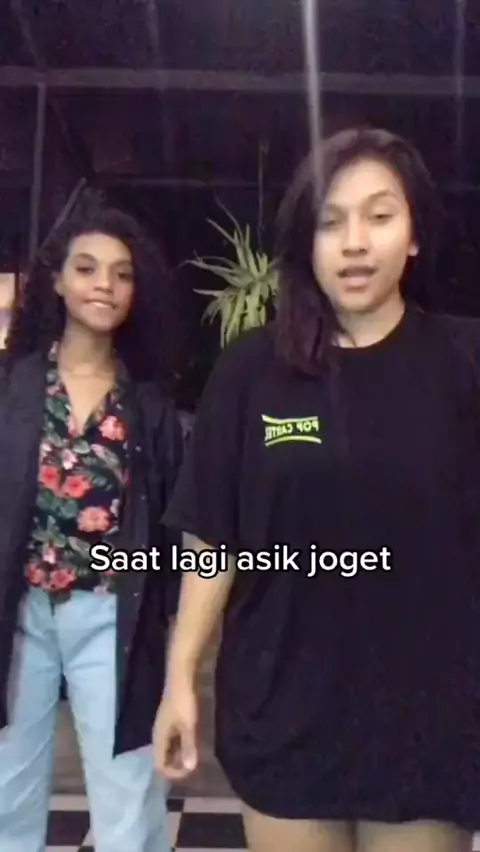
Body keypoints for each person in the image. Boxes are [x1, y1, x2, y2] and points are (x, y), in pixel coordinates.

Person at [153, 126, 480, 852]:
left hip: (428, 721)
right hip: (282, 716)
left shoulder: (464, 363)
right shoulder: (249, 372)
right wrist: (180, 677)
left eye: (379, 216)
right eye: (331, 222)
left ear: (414, 235)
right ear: (307, 242)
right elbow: (214, 539)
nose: (355, 242)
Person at [0, 193, 184, 852]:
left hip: (111, 616)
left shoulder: (149, 406)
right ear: (55, 280)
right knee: (6, 792)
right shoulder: (14, 387)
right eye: (86, 268)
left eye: (121, 273)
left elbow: (171, 527)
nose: (104, 284)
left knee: (127, 795)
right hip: (18, 614)